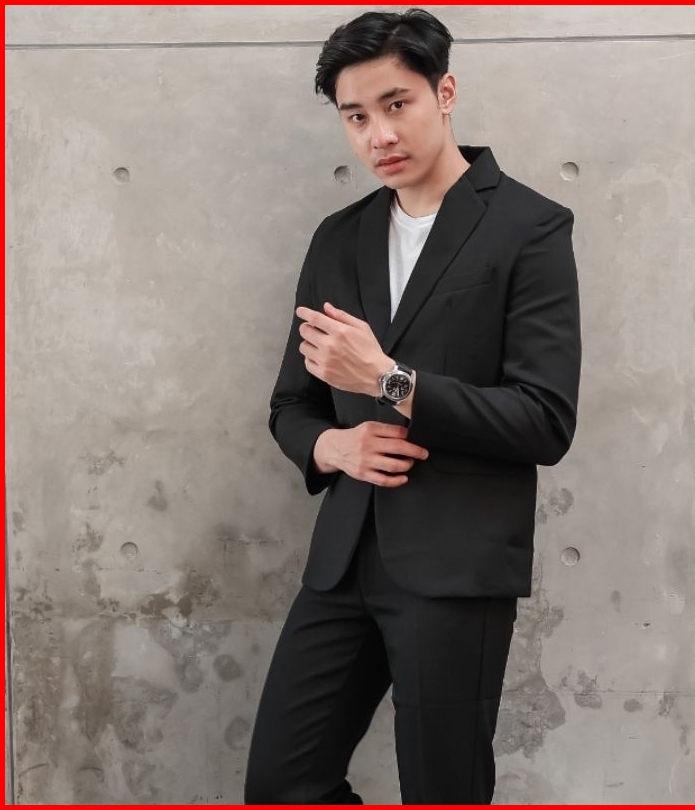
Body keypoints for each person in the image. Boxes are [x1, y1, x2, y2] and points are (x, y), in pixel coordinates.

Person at [244, 7, 581, 805]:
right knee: (282, 785)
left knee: (443, 791)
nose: (379, 135)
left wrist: (390, 380)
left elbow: (545, 420)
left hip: (456, 565)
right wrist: (330, 448)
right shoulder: (338, 238)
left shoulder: (529, 227)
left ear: (445, 93)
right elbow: (292, 403)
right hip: (342, 564)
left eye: (396, 104)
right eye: (356, 117)